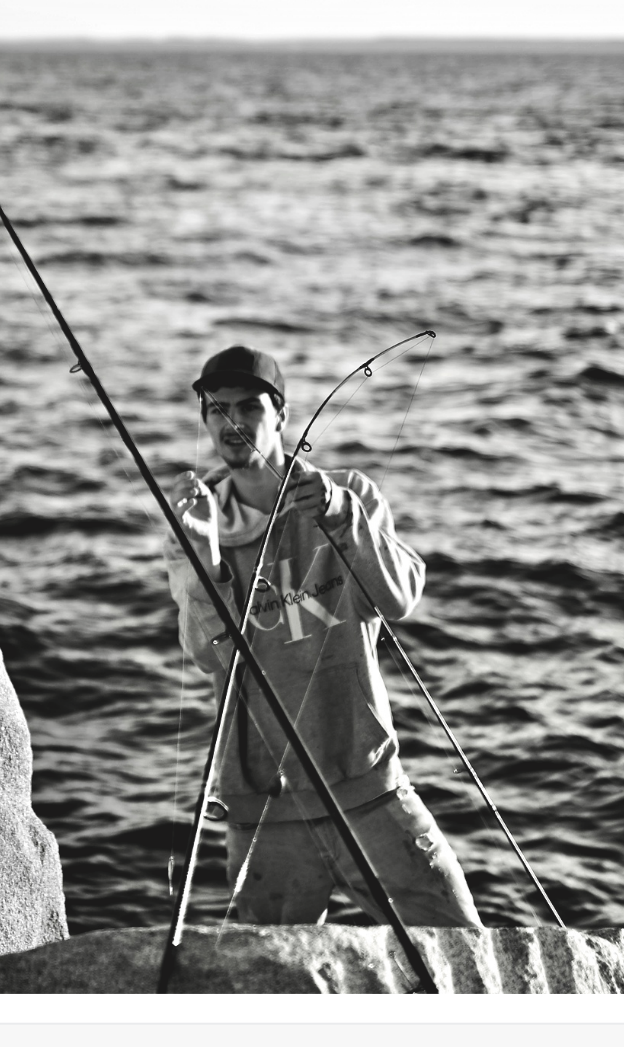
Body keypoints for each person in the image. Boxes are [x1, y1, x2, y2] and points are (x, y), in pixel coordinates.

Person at [163, 345, 483, 930]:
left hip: (366, 785)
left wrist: (341, 517)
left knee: (460, 937)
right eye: (216, 409)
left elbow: (401, 594)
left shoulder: (348, 494)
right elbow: (211, 658)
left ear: (282, 415)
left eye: (248, 406)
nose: (230, 422)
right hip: (264, 808)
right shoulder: (196, 524)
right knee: (270, 990)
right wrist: (206, 564)